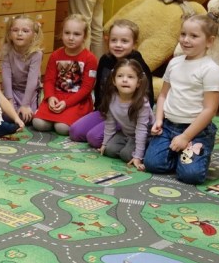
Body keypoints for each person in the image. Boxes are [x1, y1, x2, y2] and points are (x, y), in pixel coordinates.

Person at [143, 14, 219, 184]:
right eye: (183, 34)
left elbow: (210, 109)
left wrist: (186, 137)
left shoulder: (211, 69)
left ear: (209, 41)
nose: (186, 40)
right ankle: (180, 154)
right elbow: (163, 94)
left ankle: (193, 153)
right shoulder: (174, 63)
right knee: (152, 164)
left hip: (196, 130)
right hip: (168, 126)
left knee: (191, 176)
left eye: (194, 36)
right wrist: (159, 119)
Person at [69, 19, 154, 148]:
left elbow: (148, 96)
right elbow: (99, 88)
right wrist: (99, 108)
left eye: (124, 41)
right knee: (75, 132)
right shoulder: (105, 60)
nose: (118, 45)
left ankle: (123, 136)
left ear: (134, 44)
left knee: (94, 138)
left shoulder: (138, 65)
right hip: (106, 111)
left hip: (128, 116)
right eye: (114, 40)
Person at [31, 14, 98, 135]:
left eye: (76, 34)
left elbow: (86, 89)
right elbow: (49, 80)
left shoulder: (90, 58)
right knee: (38, 123)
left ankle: (64, 120)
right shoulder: (55, 55)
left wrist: (67, 103)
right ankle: (56, 119)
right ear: (62, 34)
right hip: (57, 97)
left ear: (84, 36)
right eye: (67, 33)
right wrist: (50, 97)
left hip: (77, 101)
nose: (71, 38)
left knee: (62, 128)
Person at [97, 57, 154, 170]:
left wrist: (138, 156)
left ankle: (144, 150)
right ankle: (128, 145)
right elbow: (110, 123)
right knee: (109, 150)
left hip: (145, 136)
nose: (124, 80)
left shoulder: (143, 102)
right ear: (114, 81)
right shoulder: (111, 97)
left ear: (138, 83)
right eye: (120, 76)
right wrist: (105, 143)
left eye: (130, 77)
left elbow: (142, 130)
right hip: (126, 134)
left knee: (126, 155)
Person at [0, 14, 43, 123]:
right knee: (6, 116)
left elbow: (32, 81)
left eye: (25, 31)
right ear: (9, 34)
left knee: (27, 117)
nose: (19, 34)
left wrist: (25, 105)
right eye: (15, 30)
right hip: (13, 91)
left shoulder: (36, 54)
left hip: (29, 92)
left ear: (34, 35)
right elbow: (6, 76)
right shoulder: (7, 50)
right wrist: (9, 100)